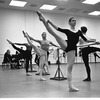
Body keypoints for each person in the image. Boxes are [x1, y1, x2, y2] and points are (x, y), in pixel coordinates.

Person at [36, 11, 90, 92]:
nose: (74, 21)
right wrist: (50, 22)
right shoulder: (67, 30)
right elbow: (57, 28)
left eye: (75, 20)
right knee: (54, 34)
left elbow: (86, 40)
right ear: (69, 22)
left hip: (72, 49)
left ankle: (70, 87)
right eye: (73, 20)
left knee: (69, 68)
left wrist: (95, 42)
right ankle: (43, 19)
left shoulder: (79, 32)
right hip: (66, 44)